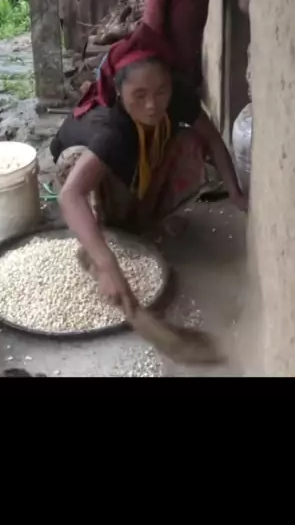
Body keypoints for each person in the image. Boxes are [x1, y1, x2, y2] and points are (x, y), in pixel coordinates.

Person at [51, 23, 247, 311]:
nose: (153, 105)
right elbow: (70, 195)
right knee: (80, 167)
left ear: (170, 83)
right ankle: (108, 231)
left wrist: (235, 192)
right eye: (140, 95)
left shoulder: (178, 94)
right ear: (119, 92)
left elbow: (211, 139)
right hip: (83, 161)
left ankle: (146, 217)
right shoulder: (113, 129)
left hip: (128, 154)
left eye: (161, 91)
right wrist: (106, 264)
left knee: (189, 142)